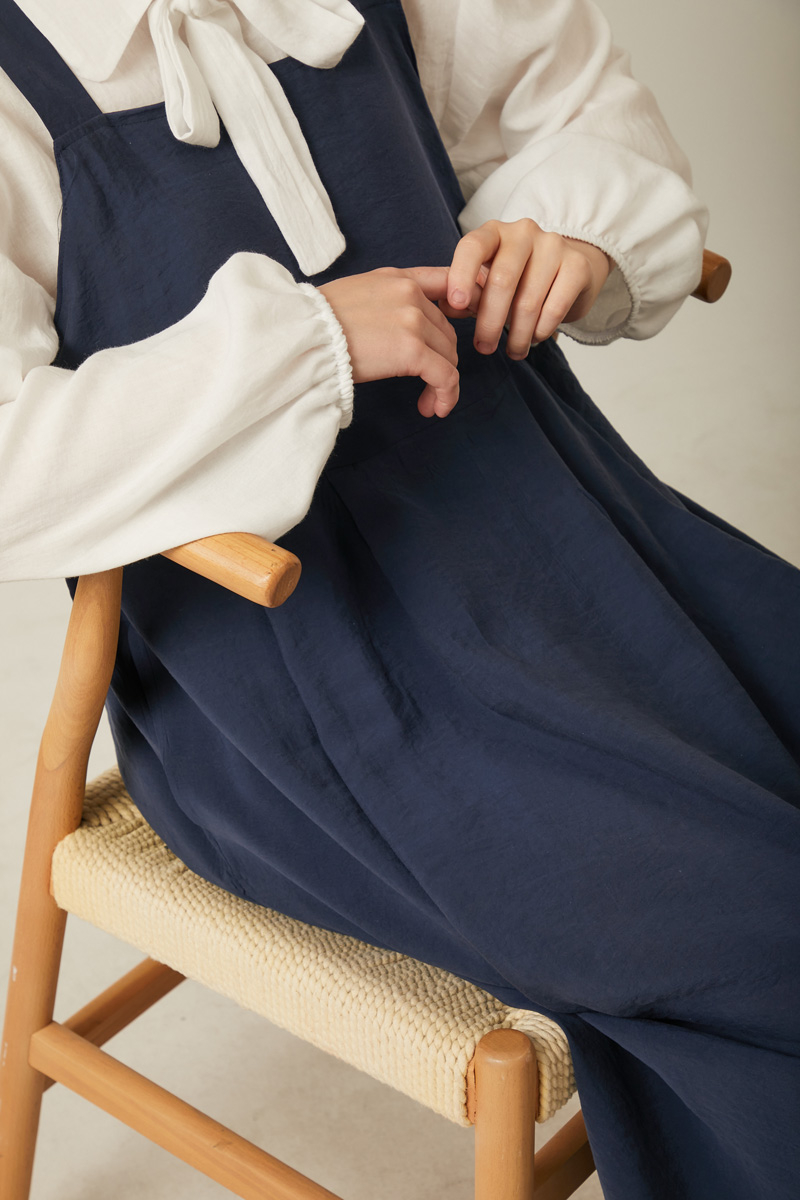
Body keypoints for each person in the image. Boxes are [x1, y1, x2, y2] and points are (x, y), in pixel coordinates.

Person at [0, 1, 797, 1197]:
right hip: (299, 693)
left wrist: (564, 234)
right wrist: (300, 343)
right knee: (757, 935)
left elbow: (571, 105)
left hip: (577, 544)